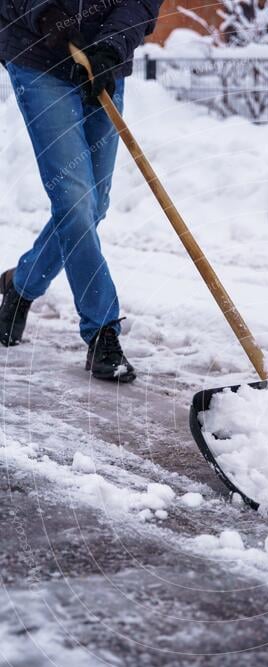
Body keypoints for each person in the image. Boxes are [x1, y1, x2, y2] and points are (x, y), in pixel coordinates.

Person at [0, 0, 163, 381]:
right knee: (75, 201)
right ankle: (102, 330)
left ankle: (20, 286)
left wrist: (110, 46)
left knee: (93, 204)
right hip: (39, 56)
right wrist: (43, 12)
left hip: (103, 63)